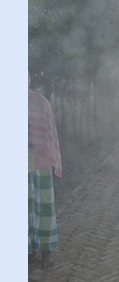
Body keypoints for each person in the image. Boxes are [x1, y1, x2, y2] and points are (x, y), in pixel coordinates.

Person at [28, 74, 62, 269]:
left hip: (40, 161)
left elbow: (50, 131)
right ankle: (29, 250)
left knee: (44, 208)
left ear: (29, 80)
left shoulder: (41, 102)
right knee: (25, 209)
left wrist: (52, 159)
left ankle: (46, 254)